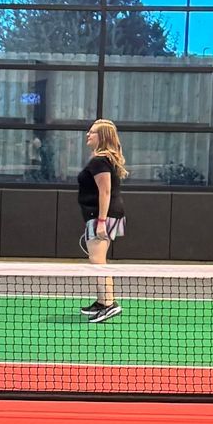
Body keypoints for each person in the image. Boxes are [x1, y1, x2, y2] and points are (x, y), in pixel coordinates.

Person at [77, 119, 127, 321]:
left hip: (102, 217)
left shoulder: (100, 161)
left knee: (98, 262)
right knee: (97, 261)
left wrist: (101, 221)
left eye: (92, 132)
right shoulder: (102, 159)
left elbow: (105, 192)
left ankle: (108, 304)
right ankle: (102, 301)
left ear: (102, 137)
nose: (88, 135)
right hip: (102, 215)